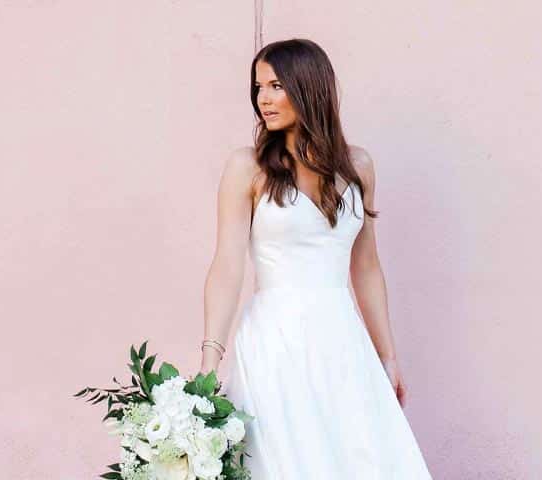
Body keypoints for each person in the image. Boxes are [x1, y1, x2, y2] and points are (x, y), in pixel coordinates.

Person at [198, 38, 434, 478]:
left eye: (275, 85)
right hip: (274, 339)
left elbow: (366, 267)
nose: (263, 99)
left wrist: (387, 355)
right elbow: (227, 265)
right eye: (258, 87)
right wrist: (211, 358)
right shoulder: (247, 167)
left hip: (341, 342)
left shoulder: (358, 167)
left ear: (308, 87)